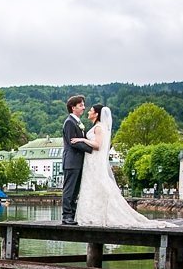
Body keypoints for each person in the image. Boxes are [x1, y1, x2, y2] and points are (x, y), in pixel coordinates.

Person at [71, 104, 174, 228]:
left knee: (99, 185)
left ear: (97, 114)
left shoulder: (99, 127)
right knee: (93, 186)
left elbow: (98, 145)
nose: (88, 112)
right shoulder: (98, 126)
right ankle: (92, 216)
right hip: (91, 160)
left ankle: (99, 216)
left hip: (94, 160)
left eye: (91, 110)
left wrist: (82, 140)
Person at [61, 95, 93, 225]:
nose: (84, 107)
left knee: (75, 190)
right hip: (71, 161)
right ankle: (66, 216)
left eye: (83, 105)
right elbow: (72, 142)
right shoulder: (69, 122)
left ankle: (72, 215)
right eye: (81, 105)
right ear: (73, 108)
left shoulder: (78, 122)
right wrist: (91, 149)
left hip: (78, 162)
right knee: (69, 189)